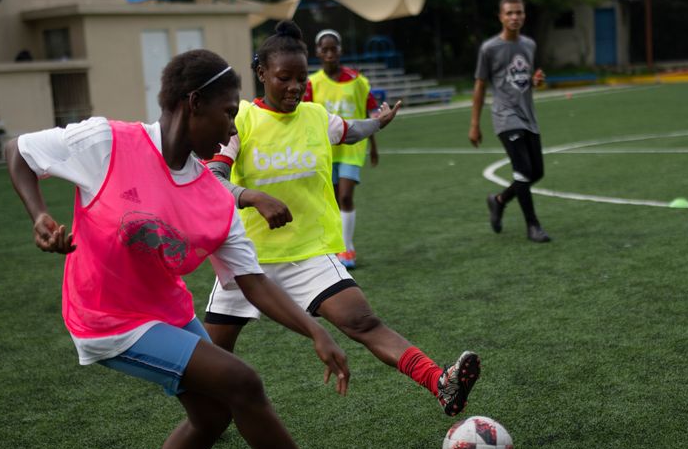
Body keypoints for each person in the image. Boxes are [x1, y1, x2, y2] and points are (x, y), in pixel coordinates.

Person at [5, 49, 377, 449]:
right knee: (240, 380)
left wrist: (315, 330)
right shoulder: (109, 141)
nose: (231, 130)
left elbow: (255, 282)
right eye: (227, 113)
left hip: (166, 312)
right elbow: (19, 151)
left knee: (214, 413)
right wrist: (38, 216)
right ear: (192, 102)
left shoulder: (214, 195)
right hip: (104, 318)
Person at [204, 21, 481, 417]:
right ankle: (206, 417)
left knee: (363, 322)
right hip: (247, 261)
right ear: (262, 73)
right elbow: (212, 179)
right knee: (212, 356)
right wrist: (252, 196)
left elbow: (351, 132)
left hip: (309, 255)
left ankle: (440, 382)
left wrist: (378, 123)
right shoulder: (241, 121)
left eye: (301, 78)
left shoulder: (316, 116)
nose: (295, 87)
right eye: (284, 78)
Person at [470, 0, 551, 243]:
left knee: (537, 171)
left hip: (528, 115)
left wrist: (536, 82)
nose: (515, 17)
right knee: (523, 170)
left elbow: (524, 79)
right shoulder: (489, 48)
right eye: (509, 13)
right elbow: (480, 86)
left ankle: (499, 200)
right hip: (505, 117)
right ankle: (533, 225)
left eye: (519, 13)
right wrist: (475, 124)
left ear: (524, 15)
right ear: (501, 17)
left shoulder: (529, 45)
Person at [302, 28, 380, 269]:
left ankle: (347, 248)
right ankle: (335, 247)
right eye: (324, 49)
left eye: (333, 48)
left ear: (340, 50)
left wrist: (374, 146)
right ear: (317, 52)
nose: (329, 53)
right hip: (325, 149)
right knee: (333, 200)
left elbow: (370, 114)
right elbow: (303, 117)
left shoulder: (358, 81)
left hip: (352, 148)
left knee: (346, 196)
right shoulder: (312, 83)